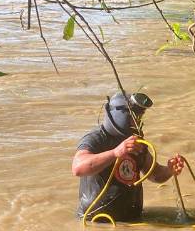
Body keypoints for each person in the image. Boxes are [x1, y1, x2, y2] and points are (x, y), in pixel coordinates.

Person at [72, 92, 184, 222]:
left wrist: (169, 170)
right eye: (134, 117)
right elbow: (78, 168)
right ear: (119, 114)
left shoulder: (136, 142)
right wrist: (115, 153)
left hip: (131, 220)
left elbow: (154, 174)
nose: (137, 122)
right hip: (97, 223)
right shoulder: (97, 138)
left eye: (140, 117)